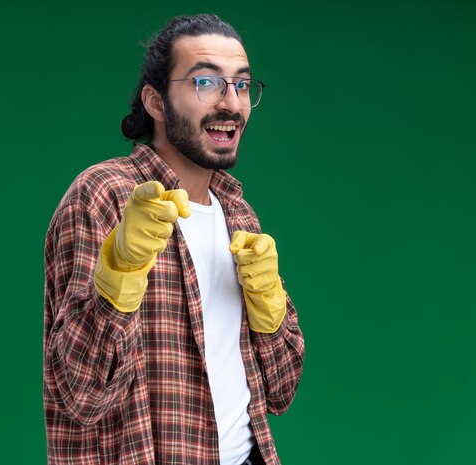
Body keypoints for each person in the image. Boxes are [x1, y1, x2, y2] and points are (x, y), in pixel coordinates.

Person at [43, 14, 305, 465]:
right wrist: (118, 277)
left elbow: (281, 390)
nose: (231, 103)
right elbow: (78, 394)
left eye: (241, 86)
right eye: (207, 82)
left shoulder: (239, 214)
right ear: (155, 101)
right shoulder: (104, 195)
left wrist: (270, 308)